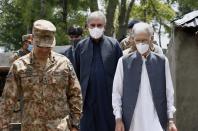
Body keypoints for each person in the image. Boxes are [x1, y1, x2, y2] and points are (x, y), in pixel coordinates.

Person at [0, 19, 82, 131]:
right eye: (40, 46)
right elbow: (7, 101)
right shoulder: (19, 66)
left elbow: (75, 94)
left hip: (60, 128)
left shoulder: (64, 63)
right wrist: (4, 127)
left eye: (47, 46)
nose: (44, 50)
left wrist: (75, 125)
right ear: (32, 40)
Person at [112, 22, 177, 131]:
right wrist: (118, 119)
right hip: (132, 120)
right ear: (132, 40)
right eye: (138, 40)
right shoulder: (123, 62)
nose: (141, 43)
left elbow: (169, 91)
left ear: (151, 39)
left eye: (144, 40)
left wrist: (170, 119)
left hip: (156, 119)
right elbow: (117, 93)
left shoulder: (162, 61)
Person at [75, 11, 123, 131]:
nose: (96, 28)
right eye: (93, 25)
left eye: (99, 25)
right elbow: (75, 76)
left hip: (108, 103)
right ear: (87, 27)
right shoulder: (80, 47)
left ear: (104, 27)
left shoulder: (114, 45)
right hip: (86, 103)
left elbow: (122, 76)